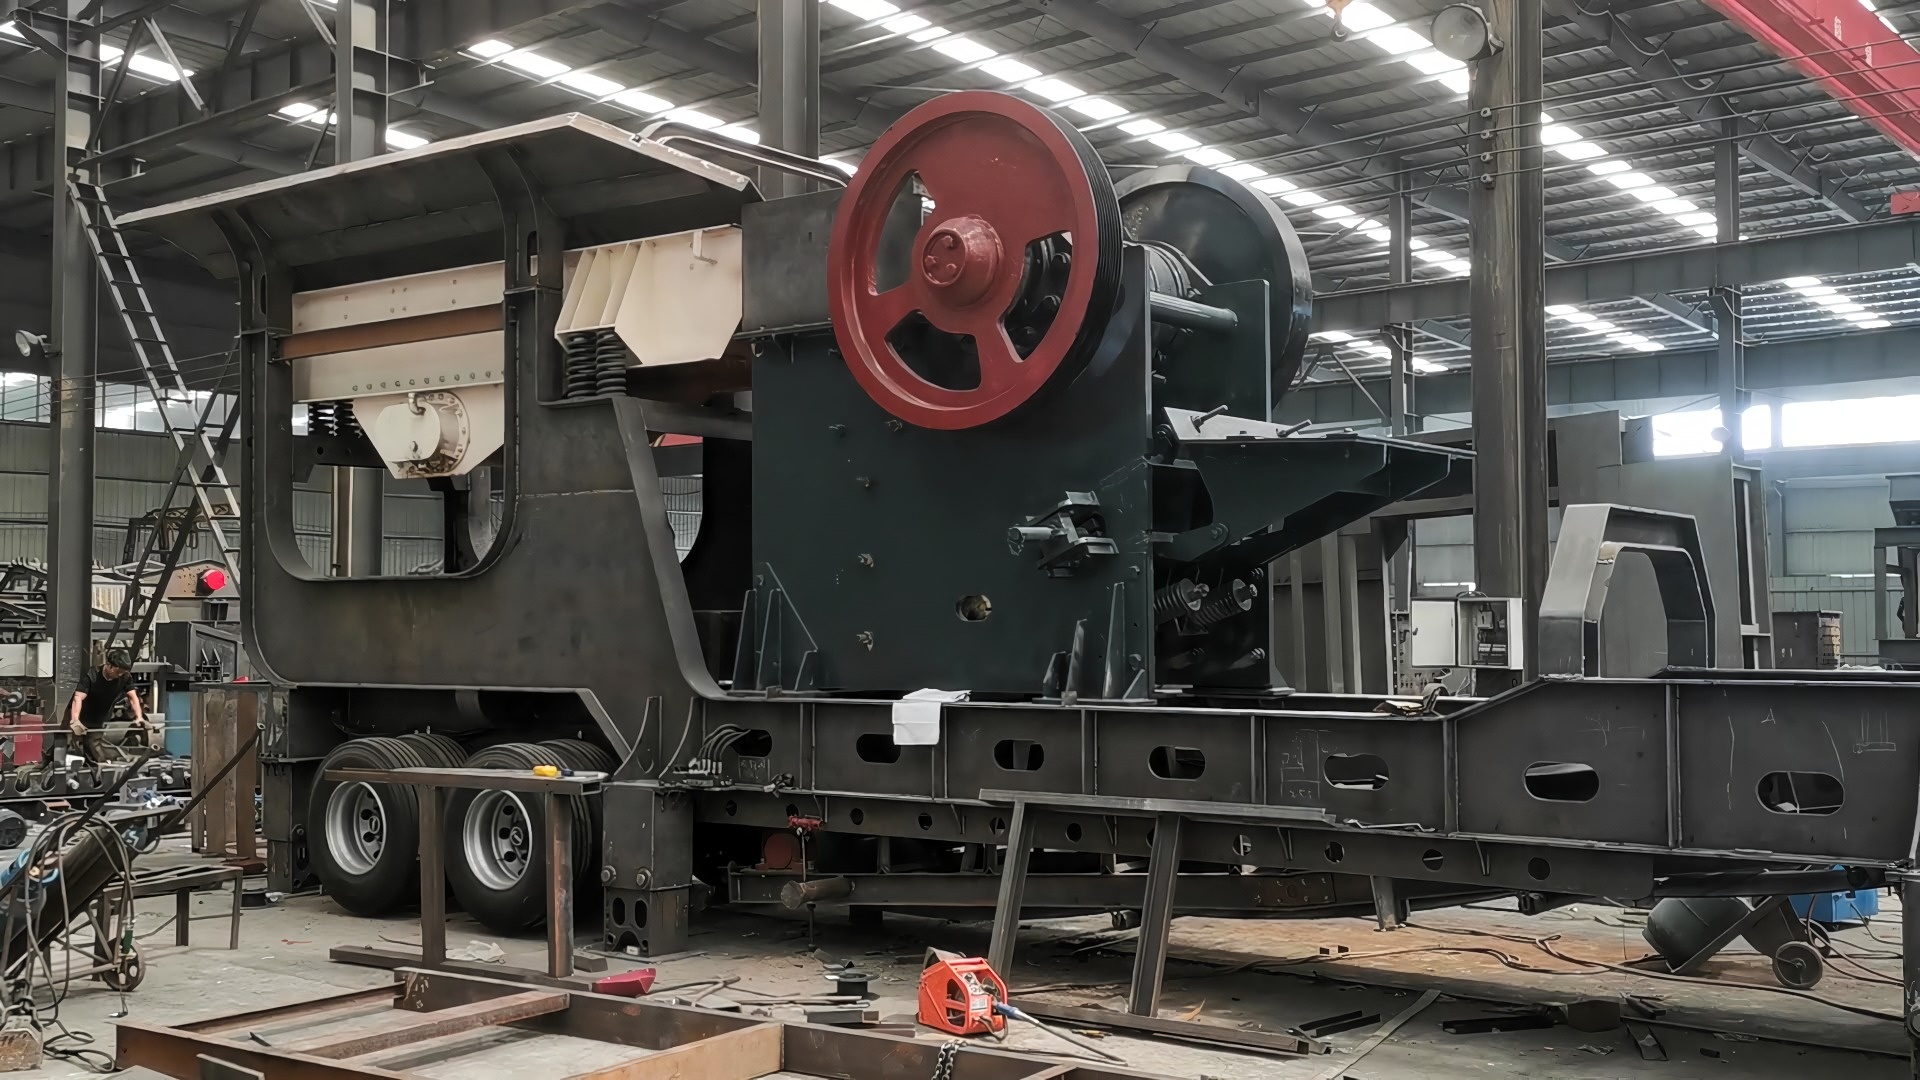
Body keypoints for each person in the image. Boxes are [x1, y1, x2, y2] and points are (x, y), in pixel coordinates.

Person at [63, 648, 148, 763]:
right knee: (74, 746)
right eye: (118, 671)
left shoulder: (125, 677)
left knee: (93, 747)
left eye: (123, 672)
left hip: (99, 718)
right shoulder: (92, 675)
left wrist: (139, 717)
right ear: (109, 665)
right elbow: (78, 697)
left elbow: (132, 697)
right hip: (81, 715)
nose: (120, 675)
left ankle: (97, 767)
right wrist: (75, 720)